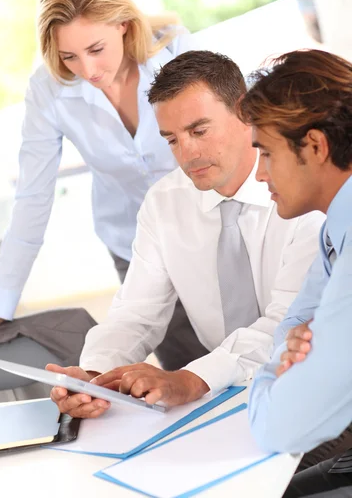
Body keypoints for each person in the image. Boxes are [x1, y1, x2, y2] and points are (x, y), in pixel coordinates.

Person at [0, 0, 201, 401]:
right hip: (136, 245)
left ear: (123, 25)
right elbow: (32, 196)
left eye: (96, 48)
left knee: (243, 355)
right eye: (69, 56)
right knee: (183, 376)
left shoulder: (178, 53)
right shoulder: (48, 90)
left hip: (210, 228)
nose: (86, 68)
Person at [48, 49, 324, 420]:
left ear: (246, 112)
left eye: (198, 130)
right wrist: (96, 376)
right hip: (226, 401)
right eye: (172, 140)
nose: (188, 153)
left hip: (313, 385)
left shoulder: (303, 193)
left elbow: (286, 324)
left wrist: (193, 378)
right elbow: (136, 315)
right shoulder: (165, 203)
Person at [237, 48, 352, 497]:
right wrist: (292, 345)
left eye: (266, 153)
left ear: (316, 146)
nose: (261, 174)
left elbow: (279, 426)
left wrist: (269, 378)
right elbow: (290, 328)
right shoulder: (334, 231)